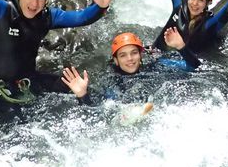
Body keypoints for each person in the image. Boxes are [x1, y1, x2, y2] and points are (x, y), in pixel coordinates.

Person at [61, 29, 199, 108]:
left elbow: (194, 68)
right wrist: (82, 95)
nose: (130, 59)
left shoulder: (155, 67)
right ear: (115, 60)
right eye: (123, 55)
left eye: (134, 53)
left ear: (140, 55)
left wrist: (181, 47)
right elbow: (97, 112)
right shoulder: (111, 82)